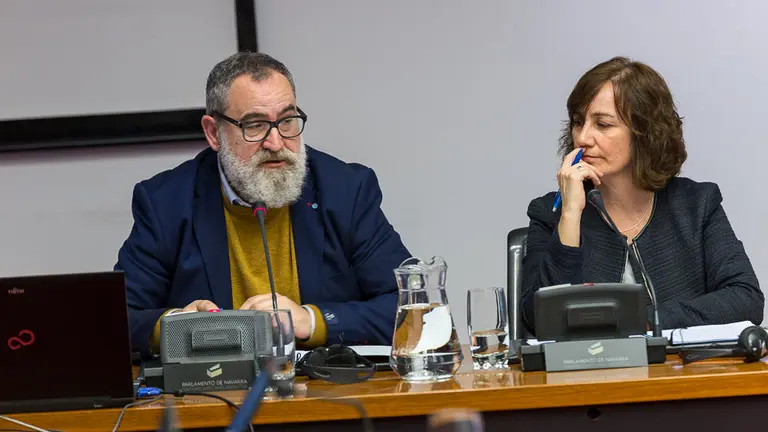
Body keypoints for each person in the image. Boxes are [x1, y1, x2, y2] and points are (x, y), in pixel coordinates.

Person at [116, 52, 411, 358]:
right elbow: (117, 318)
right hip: (216, 384)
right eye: (255, 125)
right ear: (214, 133)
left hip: (326, 383)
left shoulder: (346, 190)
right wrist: (175, 327)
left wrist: (312, 321)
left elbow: (409, 305)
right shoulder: (165, 203)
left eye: (287, 121)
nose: (276, 143)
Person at [521, 56, 763, 335]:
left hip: (679, 364)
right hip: (591, 365)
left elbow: (746, 299)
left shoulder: (697, 205)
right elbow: (538, 320)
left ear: (644, 132)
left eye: (603, 124)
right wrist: (570, 214)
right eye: (578, 122)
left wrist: (645, 321)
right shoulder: (550, 213)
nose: (583, 138)